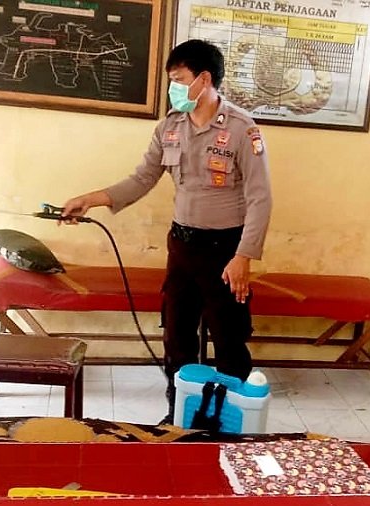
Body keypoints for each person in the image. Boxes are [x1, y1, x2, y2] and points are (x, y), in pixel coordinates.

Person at [60, 39, 272, 424]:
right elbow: (142, 178)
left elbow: (260, 198)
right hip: (182, 248)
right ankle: (179, 415)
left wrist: (244, 256)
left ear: (204, 79)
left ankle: (229, 423)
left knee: (229, 340)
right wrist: (91, 199)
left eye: (179, 79)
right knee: (177, 338)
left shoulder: (243, 129)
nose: (173, 88)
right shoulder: (170, 127)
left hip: (226, 251)